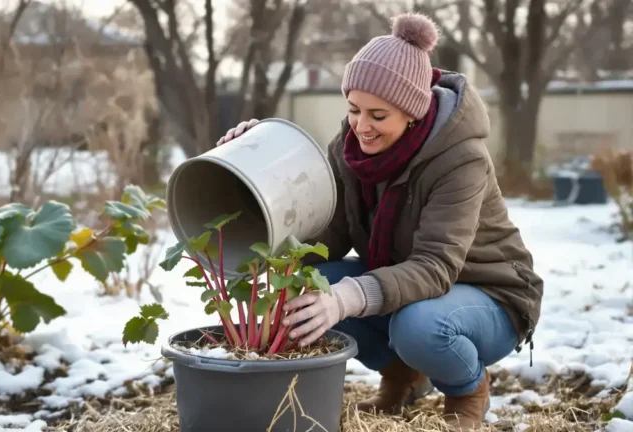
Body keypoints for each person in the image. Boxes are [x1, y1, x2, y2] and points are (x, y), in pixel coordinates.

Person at [215, 11, 544, 431]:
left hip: (490, 294)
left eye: (378, 115)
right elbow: (322, 241)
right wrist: (256, 160)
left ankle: (467, 389)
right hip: (414, 286)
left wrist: (346, 299)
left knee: (418, 326)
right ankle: (404, 376)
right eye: (354, 109)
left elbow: (436, 266)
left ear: (412, 112)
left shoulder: (461, 160)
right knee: (309, 282)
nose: (361, 127)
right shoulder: (349, 151)